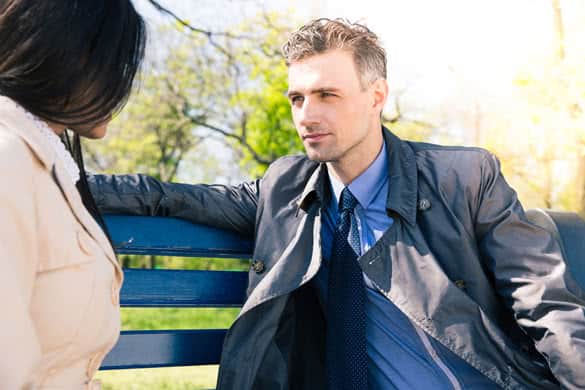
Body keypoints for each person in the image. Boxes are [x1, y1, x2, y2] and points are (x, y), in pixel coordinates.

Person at [89, 18, 585, 389]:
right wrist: (51, 172)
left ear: (376, 97)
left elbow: (546, 302)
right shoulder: (284, 188)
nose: (308, 114)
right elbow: (167, 197)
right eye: (297, 98)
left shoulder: (465, 177)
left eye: (327, 94)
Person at [0, 1, 146, 388]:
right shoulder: (7, 157)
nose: (122, 85)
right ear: (66, 52)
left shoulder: (52, 165)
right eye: (116, 63)